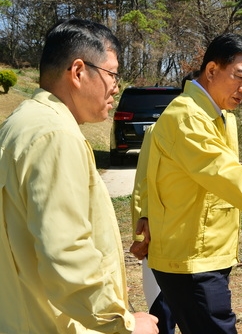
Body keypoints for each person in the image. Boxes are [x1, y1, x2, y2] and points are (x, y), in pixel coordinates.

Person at [140, 33, 242, 334]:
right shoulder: (186, 117)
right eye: (239, 77)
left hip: (211, 251)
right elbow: (232, 179)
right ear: (212, 70)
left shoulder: (221, 116)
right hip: (190, 258)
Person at [0, 18, 158, 333]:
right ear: (78, 72)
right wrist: (122, 323)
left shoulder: (21, 124)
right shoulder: (55, 135)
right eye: (112, 74)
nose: (116, 86)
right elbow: (66, 250)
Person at [129, 71, 200, 334]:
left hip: (201, 246)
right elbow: (142, 185)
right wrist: (141, 235)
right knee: (164, 314)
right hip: (164, 239)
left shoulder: (223, 127)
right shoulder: (159, 130)